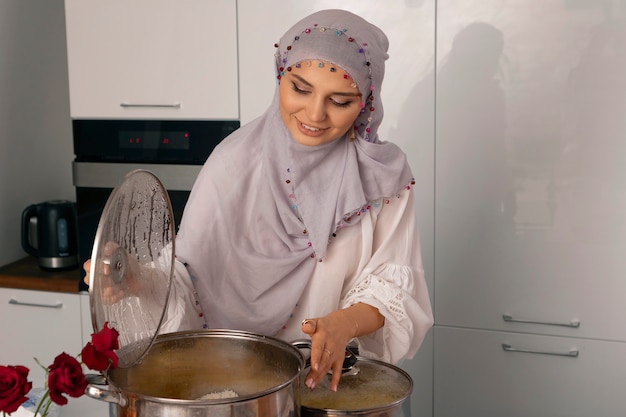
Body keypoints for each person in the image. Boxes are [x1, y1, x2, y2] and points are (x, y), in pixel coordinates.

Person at [87, 9, 433, 393]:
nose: (315, 114)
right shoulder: (233, 162)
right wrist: (139, 280)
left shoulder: (383, 179)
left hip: (332, 390)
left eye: (340, 100)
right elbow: (192, 277)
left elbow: (393, 286)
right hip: (235, 390)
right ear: (280, 76)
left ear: (366, 103)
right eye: (300, 89)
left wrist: (342, 324)